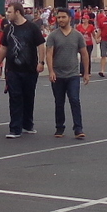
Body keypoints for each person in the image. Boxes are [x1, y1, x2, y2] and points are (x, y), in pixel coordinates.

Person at [44, 8, 90, 139]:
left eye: (63, 17)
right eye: (58, 17)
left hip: (73, 75)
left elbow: (84, 54)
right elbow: (49, 54)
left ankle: (78, 128)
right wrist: (51, 71)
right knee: (59, 102)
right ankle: (59, 128)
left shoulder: (77, 35)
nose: (60, 20)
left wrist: (86, 72)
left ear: (70, 18)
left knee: (74, 100)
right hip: (58, 75)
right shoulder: (53, 35)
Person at [1, 2, 44, 138]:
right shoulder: (8, 29)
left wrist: (41, 62)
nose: (7, 14)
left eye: (9, 12)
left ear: (17, 12)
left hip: (30, 68)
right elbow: (4, 47)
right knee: (15, 97)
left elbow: (41, 45)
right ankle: (15, 128)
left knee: (28, 96)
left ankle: (27, 124)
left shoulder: (32, 28)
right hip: (13, 69)